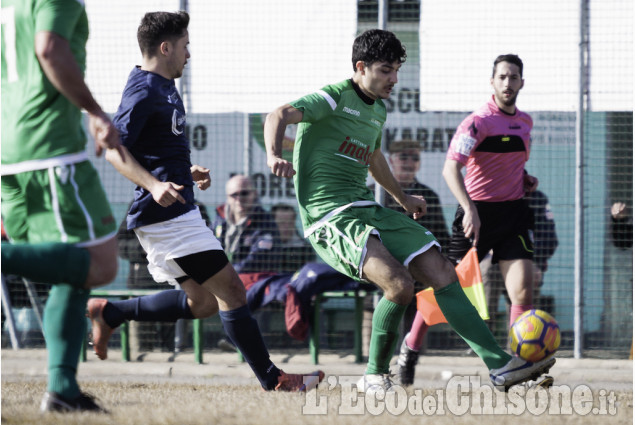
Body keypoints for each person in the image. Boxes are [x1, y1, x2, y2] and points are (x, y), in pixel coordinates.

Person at [264, 32, 554, 394]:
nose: (394, 79)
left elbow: (373, 158)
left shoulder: (378, 109)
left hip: (365, 209)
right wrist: (274, 155)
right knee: (398, 285)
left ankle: (499, 365)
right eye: (386, 70)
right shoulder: (333, 97)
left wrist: (402, 198)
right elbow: (279, 114)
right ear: (360, 67)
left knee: (442, 271)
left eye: (397, 70)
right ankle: (374, 375)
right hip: (329, 217)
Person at [90, 11, 323, 392]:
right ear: (165, 48)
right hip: (167, 216)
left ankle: (111, 312)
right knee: (232, 290)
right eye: (185, 46)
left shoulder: (162, 84)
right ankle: (273, 379)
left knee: (203, 303)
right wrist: (153, 184)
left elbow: (154, 147)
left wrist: (184, 171)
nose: (189, 54)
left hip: (176, 210)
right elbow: (114, 149)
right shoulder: (144, 89)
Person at [1, 0, 122, 413]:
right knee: (99, 262)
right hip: (47, 148)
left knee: (69, 278)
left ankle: (63, 391)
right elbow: (50, 48)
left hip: (11, 145)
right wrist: (94, 110)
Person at [397, 53, 545, 386]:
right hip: (475, 215)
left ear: (522, 82)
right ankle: (410, 347)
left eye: (514, 77)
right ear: (492, 82)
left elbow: (508, 163)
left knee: (523, 288)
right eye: (502, 77)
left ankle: (515, 366)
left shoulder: (525, 122)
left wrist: (524, 178)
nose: (508, 83)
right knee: (446, 287)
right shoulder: (477, 122)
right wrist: (470, 209)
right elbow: (451, 169)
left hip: (514, 214)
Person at [370, 139, 451, 339]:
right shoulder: (373, 192)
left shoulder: (428, 196)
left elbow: (442, 237)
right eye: (403, 156)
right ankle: (373, 355)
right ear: (390, 160)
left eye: (414, 157)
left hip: (417, 270)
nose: (409, 162)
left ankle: (411, 354)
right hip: (379, 265)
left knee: (424, 286)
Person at [117, 199, 210, 357]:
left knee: (175, 351)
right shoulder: (139, 204)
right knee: (141, 351)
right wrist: (149, 248)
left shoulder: (195, 206)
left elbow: (206, 243)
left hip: (179, 287)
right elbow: (120, 243)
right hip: (142, 286)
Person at [212, 175, 282, 283]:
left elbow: (258, 260)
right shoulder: (219, 220)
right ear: (227, 197)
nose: (239, 199)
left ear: (254, 194)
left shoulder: (265, 222)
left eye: (244, 193)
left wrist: (224, 273)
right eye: (234, 195)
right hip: (219, 278)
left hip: (252, 283)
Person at [271, 203, 316, 273]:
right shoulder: (265, 247)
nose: (286, 227)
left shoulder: (305, 249)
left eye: (290, 223)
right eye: (281, 223)